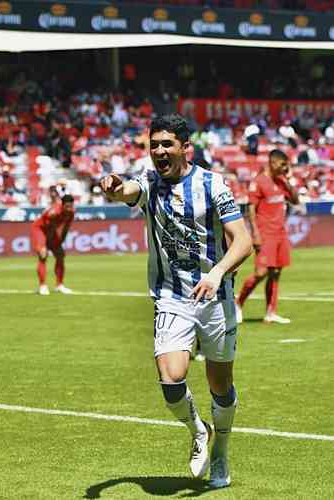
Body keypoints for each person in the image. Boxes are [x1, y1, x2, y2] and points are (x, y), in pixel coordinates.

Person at [100, 114, 252, 489]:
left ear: (186, 147)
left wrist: (217, 272)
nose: (159, 151)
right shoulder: (149, 181)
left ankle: (221, 452)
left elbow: (243, 241)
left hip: (216, 299)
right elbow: (125, 192)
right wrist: (112, 187)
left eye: (167, 144)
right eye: (154, 145)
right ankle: (198, 430)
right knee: (171, 378)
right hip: (171, 297)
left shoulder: (213, 184)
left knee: (221, 385)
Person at [236, 149, 299, 324]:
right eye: (282, 164)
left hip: (280, 233)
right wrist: (255, 234)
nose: (285, 167)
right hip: (265, 234)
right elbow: (250, 209)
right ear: (273, 162)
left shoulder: (281, 181)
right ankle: (238, 303)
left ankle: (271, 312)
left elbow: (295, 200)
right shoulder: (259, 182)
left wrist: (288, 180)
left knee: (276, 273)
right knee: (261, 272)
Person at [31, 193, 75, 295]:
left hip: (51, 231)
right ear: (62, 205)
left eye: (71, 206)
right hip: (40, 230)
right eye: (67, 206)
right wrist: (46, 244)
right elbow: (46, 227)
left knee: (60, 254)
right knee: (43, 254)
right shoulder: (53, 212)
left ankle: (59, 285)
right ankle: (42, 286)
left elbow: (66, 228)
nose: (69, 209)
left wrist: (61, 241)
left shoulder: (71, 213)